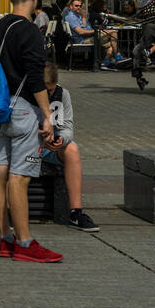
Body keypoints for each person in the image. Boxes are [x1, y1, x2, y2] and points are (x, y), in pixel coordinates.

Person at [0, 0, 62, 263]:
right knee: (19, 178)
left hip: (3, 108)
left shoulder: (1, 25)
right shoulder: (30, 31)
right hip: (23, 109)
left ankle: (6, 238)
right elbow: (35, 78)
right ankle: (26, 244)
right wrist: (47, 115)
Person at [39, 62, 99, 232]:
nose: (49, 94)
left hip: (52, 148)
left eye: (51, 90)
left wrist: (61, 140)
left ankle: (76, 212)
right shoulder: (28, 95)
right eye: (45, 90)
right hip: (30, 146)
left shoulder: (63, 94)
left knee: (72, 149)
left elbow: (68, 128)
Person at [62, 0, 113, 66]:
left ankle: (106, 61)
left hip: (87, 36)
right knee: (113, 34)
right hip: (82, 40)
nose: (79, 8)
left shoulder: (78, 15)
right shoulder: (71, 16)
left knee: (112, 41)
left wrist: (83, 16)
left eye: (80, 6)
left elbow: (85, 26)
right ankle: (115, 57)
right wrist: (96, 30)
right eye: (76, 6)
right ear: (71, 6)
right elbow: (80, 32)